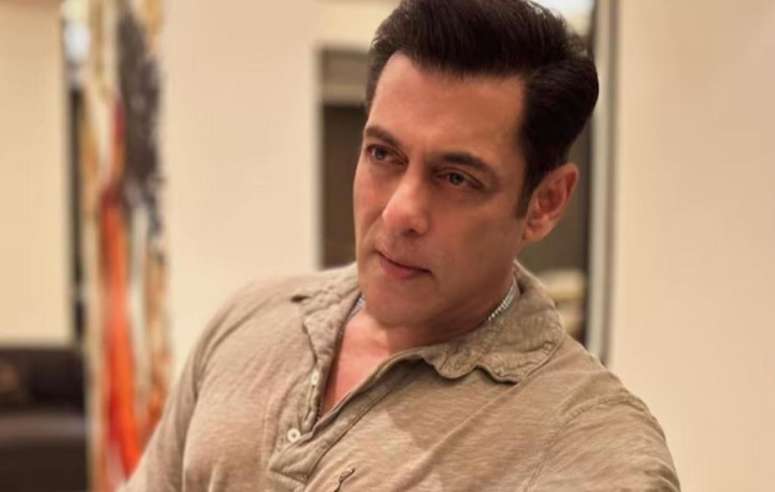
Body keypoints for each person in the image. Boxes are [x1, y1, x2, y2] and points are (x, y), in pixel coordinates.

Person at [126, 0, 680, 490]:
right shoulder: (252, 319)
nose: (399, 212)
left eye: (456, 178)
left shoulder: (590, 446)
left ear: (545, 203)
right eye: (384, 155)